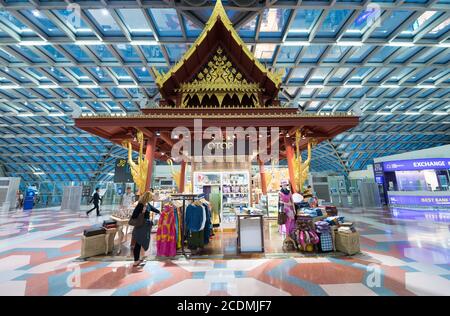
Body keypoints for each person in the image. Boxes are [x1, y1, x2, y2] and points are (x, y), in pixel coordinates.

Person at [130, 191, 160, 267]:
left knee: (143, 242)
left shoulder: (147, 204)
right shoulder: (140, 205)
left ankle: (141, 258)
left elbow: (153, 209)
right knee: (138, 242)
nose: (152, 198)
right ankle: (136, 260)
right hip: (140, 226)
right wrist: (142, 212)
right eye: (151, 197)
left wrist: (160, 212)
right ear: (147, 197)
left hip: (145, 226)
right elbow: (134, 215)